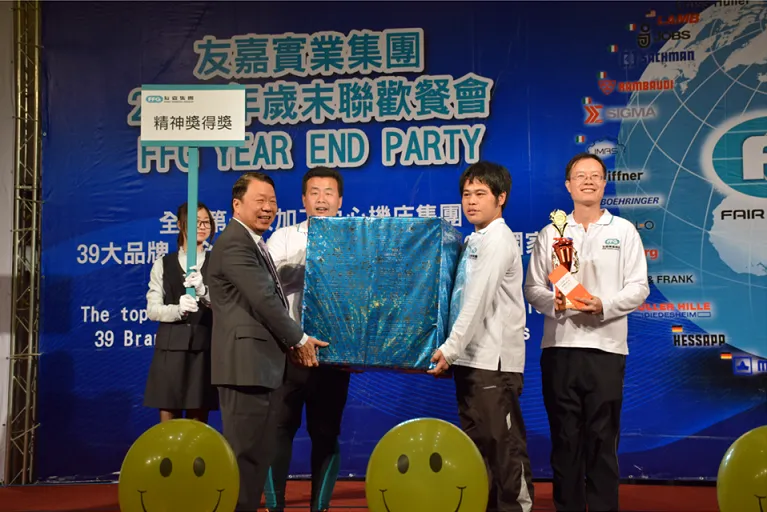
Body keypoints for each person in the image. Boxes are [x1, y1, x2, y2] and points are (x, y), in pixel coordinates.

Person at [524, 152, 649, 512]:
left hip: (607, 348)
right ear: (568, 185)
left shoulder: (623, 231)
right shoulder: (552, 233)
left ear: (605, 184)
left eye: (595, 175)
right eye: (580, 176)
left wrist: (603, 305)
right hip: (560, 348)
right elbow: (533, 288)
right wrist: (556, 303)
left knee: (602, 439)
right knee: (565, 439)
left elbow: (638, 287)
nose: (588, 181)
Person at [207, 172, 329, 512]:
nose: (268, 208)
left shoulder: (253, 243)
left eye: (272, 201)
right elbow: (264, 299)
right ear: (237, 205)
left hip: (260, 366)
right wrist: (299, 339)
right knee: (245, 457)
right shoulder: (235, 243)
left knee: (256, 457)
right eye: (259, 200)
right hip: (244, 366)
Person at [429, 161, 534, 512]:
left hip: (495, 364)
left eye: (480, 194)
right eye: (466, 194)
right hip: (471, 361)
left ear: (500, 198)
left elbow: (477, 300)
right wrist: (453, 350)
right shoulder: (474, 239)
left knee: (504, 449)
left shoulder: (499, 240)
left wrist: (449, 349)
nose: (471, 201)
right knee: (480, 452)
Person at [264, 166, 351, 512]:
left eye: (329, 192)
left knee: (326, 434)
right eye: (314, 192)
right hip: (289, 353)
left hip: (332, 356)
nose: (321, 199)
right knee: (278, 432)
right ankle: (275, 507)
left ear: (340, 200)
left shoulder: (354, 239)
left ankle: (320, 507)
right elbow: (265, 287)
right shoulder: (284, 237)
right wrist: (305, 259)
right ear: (303, 199)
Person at [143, 201, 219, 423]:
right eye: (196, 222)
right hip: (170, 349)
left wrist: (204, 292)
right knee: (169, 417)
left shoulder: (217, 263)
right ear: (180, 225)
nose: (202, 227)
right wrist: (178, 310)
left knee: (198, 418)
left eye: (206, 222)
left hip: (204, 348)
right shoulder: (163, 264)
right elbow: (152, 310)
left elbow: (225, 305)